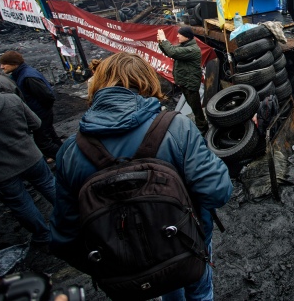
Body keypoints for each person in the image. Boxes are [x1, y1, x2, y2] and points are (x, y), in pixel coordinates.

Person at [50, 52, 232, 300]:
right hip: (186, 243)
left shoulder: (70, 151)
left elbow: (64, 236)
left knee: (165, 290)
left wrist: (108, 266)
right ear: (147, 81)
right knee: (197, 290)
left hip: (122, 265)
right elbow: (218, 191)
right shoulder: (176, 127)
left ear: (98, 84)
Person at [0, 68, 55, 244]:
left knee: (20, 203)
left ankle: (43, 235)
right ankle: (73, 216)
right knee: (49, 185)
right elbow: (36, 123)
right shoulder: (11, 100)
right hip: (30, 155)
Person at [0, 51, 62, 160]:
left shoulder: (27, 77)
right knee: (51, 136)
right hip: (40, 112)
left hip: (40, 113)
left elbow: (47, 96)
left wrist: (43, 110)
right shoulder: (22, 73)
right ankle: (66, 153)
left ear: (14, 63)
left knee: (43, 142)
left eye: (5, 64)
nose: (2, 67)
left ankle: (66, 159)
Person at [157, 26, 208, 133]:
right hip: (185, 82)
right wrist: (161, 43)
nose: (177, 36)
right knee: (193, 106)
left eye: (180, 34)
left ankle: (203, 128)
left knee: (196, 108)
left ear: (187, 36)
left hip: (190, 83)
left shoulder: (192, 49)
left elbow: (172, 52)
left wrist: (164, 39)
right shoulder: (184, 46)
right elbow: (169, 51)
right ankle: (201, 125)